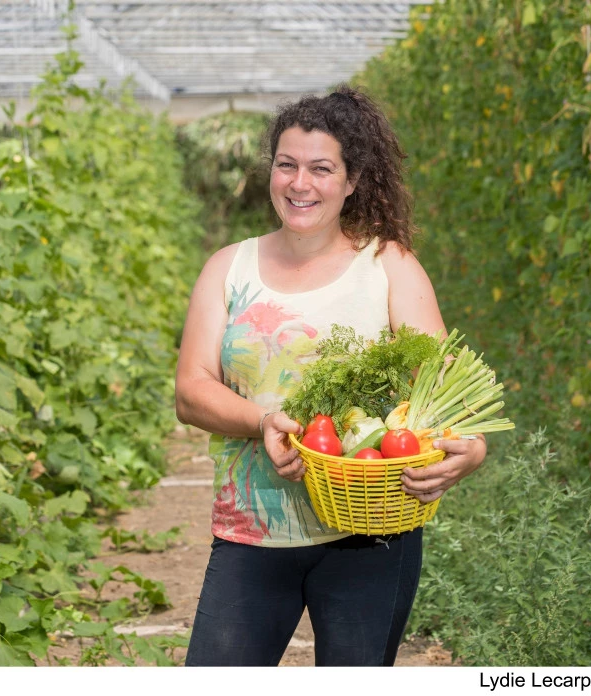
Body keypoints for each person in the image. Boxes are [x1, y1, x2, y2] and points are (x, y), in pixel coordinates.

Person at [173, 85, 488, 667]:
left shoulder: (388, 266)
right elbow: (191, 391)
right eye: (287, 165)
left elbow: (442, 387)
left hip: (371, 528)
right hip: (254, 525)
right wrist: (262, 420)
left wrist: (470, 449)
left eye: (321, 169)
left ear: (352, 180)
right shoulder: (228, 267)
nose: (300, 183)